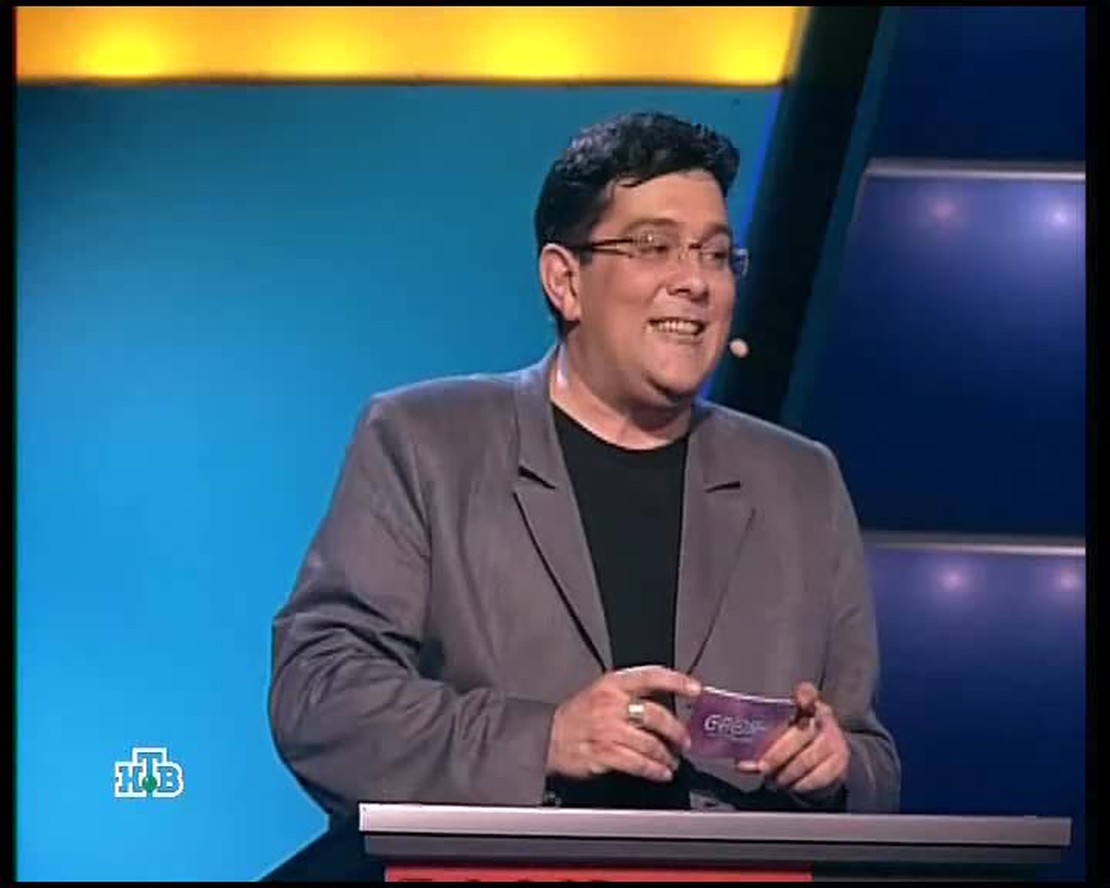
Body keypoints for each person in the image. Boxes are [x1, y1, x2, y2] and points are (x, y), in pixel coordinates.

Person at [268, 111, 900, 821]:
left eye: (717, 254)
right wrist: (543, 740)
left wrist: (835, 767)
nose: (695, 281)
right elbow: (320, 699)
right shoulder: (425, 445)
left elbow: (871, 759)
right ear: (564, 280)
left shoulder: (800, 483)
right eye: (655, 246)